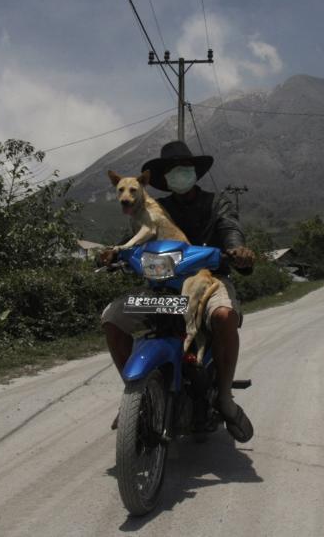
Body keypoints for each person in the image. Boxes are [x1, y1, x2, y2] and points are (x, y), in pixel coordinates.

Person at [98, 141, 255, 442]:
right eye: (172, 170)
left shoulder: (216, 203)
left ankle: (224, 398)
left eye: (184, 169)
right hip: (162, 285)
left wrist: (237, 250)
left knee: (223, 315)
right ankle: (134, 396)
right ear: (164, 178)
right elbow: (132, 237)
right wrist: (111, 254)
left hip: (210, 278)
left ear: (194, 172)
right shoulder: (155, 207)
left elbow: (230, 228)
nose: (178, 174)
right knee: (112, 318)